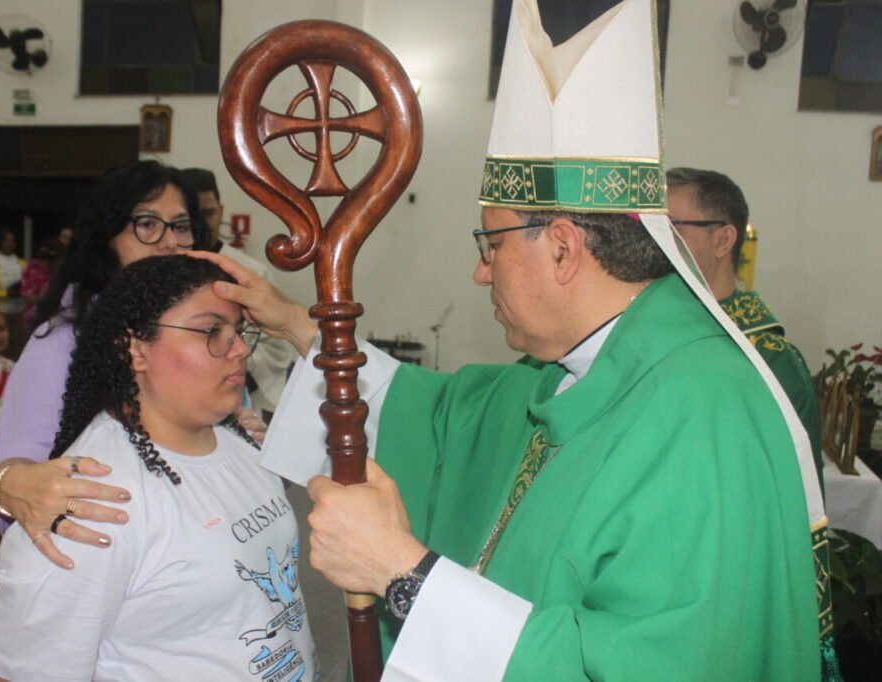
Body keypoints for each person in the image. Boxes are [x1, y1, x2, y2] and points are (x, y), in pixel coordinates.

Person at [245, 1, 828, 679]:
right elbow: (440, 418)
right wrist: (294, 322)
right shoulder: (571, 369)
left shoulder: (705, 415)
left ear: (561, 248)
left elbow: (655, 664)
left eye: (490, 243)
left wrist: (404, 572)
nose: (479, 270)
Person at [0, 255, 316, 681]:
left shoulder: (242, 443)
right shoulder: (91, 500)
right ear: (134, 348)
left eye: (239, 330)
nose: (241, 348)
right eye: (211, 331)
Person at [0, 160, 210, 568]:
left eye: (180, 225)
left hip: (176, 543)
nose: (169, 242)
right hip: (92, 551)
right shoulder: (65, 338)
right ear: (108, 237)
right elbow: (18, 465)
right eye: (147, 223)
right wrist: (10, 483)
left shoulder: (186, 326)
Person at [667, 166, 824, 487]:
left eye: (672, 227)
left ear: (723, 240)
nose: (654, 243)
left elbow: (791, 487)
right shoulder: (649, 329)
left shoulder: (768, 357)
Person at [183, 167, 296, 416]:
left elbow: (278, 348)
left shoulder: (250, 272)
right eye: (194, 216)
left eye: (209, 213)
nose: (203, 223)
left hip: (239, 401)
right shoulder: (170, 269)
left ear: (221, 211)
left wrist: (232, 373)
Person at [19, 238, 59, 330]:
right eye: (43, 259)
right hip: (33, 315)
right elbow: (27, 297)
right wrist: (43, 300)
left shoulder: (55, 269)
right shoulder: (30, 268)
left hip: (52, 315)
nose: (45, 262)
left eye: (48, 259)